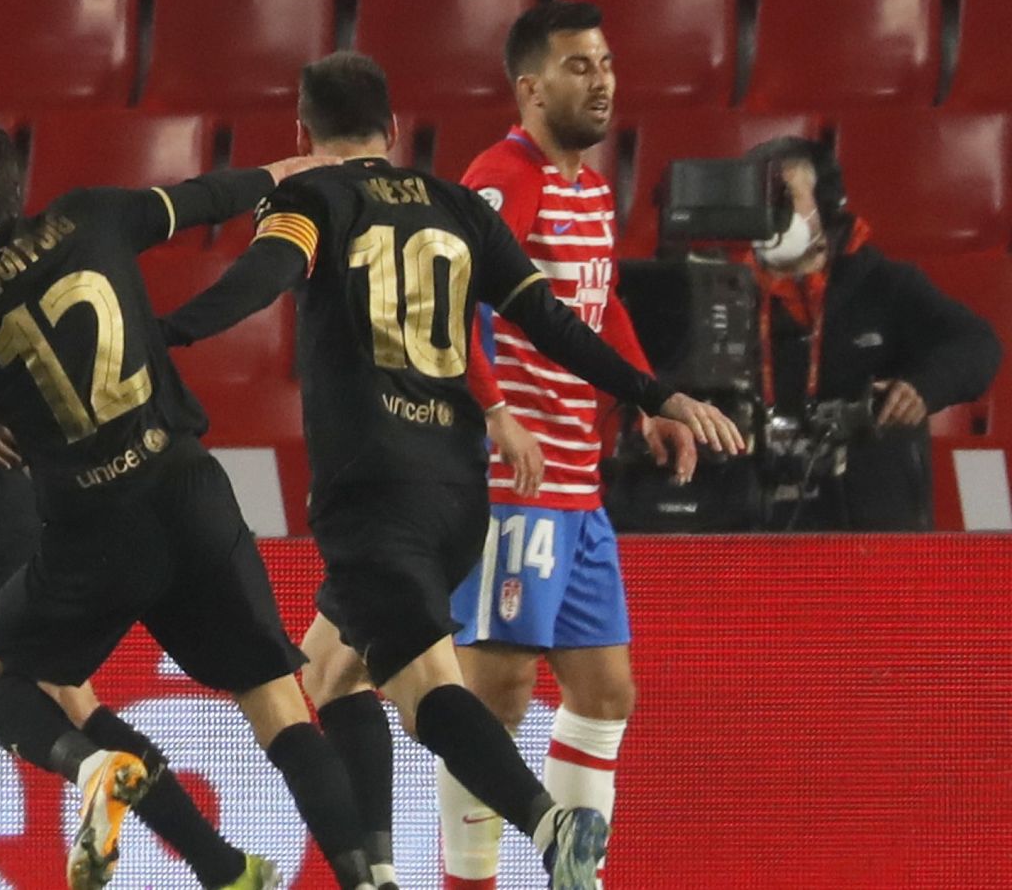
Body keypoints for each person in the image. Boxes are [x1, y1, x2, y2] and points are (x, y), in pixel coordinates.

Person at [159, 51, 742, 890]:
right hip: (460, 494)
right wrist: (655, 394)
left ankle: (549, 822)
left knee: (429, 687)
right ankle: (380, 876)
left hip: (371, 492)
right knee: (331, 673)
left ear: (301, 133)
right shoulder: (457, 203)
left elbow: (260, 281)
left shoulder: (312, 196)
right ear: (393, 130)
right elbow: (554, 323)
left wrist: (163, 334)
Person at [0, 116, 385, 890]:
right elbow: (204, 197)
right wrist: (283, 172)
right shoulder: (90, 214)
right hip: (186, 487)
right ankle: (368, 879)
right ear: (17, 180)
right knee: (277, 702)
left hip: (92, 526)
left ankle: (91, 765)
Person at [433, 2, 702, 888]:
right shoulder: (501, 178)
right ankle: (468, 881)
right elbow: (453, 306)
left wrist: (648, 399)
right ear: (530, 86)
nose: (602, 81)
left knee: (605, 693)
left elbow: (601, 306)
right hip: (516, 481)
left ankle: (569, 876)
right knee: (496, 695)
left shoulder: (591, 185)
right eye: (579, 67)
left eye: (606, 64)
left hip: (577, 483)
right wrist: (495, 410)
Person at [741, 135, 1002, 531]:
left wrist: (923, 388)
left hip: (870, 525)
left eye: (784, 200)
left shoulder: (886, 285)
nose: (767, 215)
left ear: (827, 209)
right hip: (748, 526)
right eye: (757, 201)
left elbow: (978, 345)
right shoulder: (723, 291)